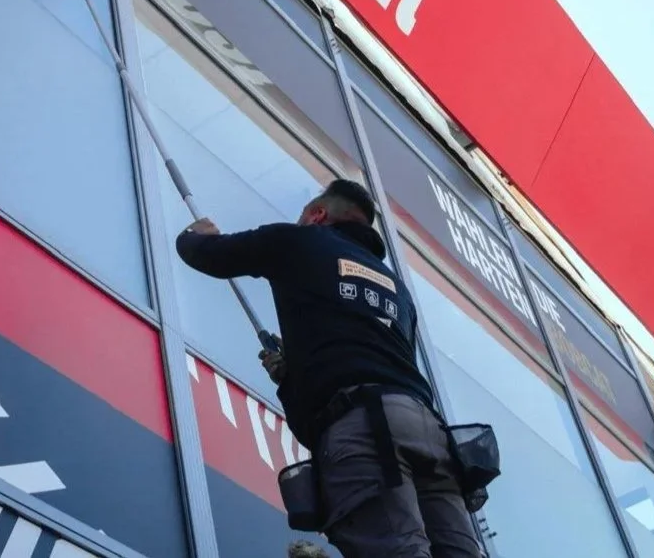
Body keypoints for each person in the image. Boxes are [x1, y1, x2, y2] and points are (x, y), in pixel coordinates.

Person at [175, 179, 483, 558]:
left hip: (367, 428)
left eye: (304, 215)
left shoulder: (300, 241)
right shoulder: (397, 290)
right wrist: (294, 376)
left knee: (396, 550)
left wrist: (196, 232)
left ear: (318, 215)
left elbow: (208, 254)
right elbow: (369, 358)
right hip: (429, 435)